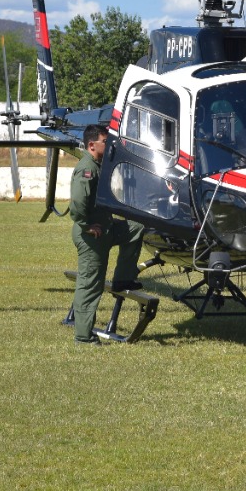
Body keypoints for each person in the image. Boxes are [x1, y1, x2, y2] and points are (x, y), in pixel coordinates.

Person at [69, 124, 144, 345]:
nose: (109, 144)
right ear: (92, 145)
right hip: (93, 236)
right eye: (105, 141)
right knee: (90, 285)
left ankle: (123, 279)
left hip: (107, 229)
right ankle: (83, 336)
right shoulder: (86, 169)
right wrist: (86, 225)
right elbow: (77, 203)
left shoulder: (99, 164)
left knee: (135, 227)